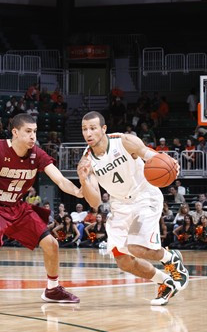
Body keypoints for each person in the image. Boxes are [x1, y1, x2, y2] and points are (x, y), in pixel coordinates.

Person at [77, 110, 189, 306]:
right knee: (123, 260)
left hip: (144, 197)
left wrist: (168, 164)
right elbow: (94, 203)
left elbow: (151, 156)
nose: (88, 133)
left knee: (137, 247)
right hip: (119, 205)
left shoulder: (124, 141)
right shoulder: (86, 162)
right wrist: (83, 180)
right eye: (85, 129)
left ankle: (172, 258)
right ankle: (166, 282)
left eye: (93, 128)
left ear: (103, 129)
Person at [0, 113, 83, 303]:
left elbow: (61, 180)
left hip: (18, 208)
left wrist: (78, 192)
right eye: (28, 131)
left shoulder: (37, 154)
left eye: (35, 132)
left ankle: (52, 290)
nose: (33, 136)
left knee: (51, 244)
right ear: (15, 132)